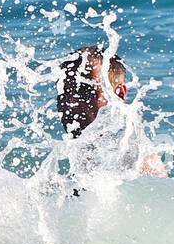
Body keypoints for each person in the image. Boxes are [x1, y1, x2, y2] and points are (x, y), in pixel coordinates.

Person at [56, 44, 167, 178]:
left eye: (84, 92)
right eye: (65, 92)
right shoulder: (78, 149)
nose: (70, 103)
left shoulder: (135, 156)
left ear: (119, 94)